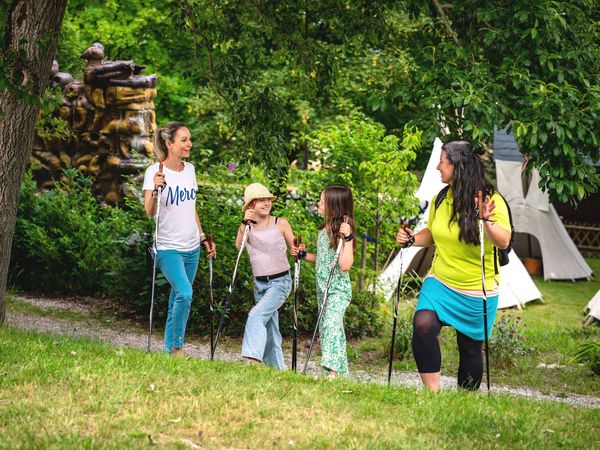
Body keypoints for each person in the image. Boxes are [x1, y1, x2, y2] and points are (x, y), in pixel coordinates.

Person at [396, 139, 511, 391]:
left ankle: (464, 401)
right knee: (423, 324)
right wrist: (412, 239)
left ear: (457, 166)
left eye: (442, 161)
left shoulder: (492, 200)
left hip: (476, 288)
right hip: (441, 281)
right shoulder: (441, 198)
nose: (438, 167)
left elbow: (503, 241)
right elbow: (435, 233)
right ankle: (433, 396)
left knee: (469, 348)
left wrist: (487, 220)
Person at [143, 121, 216, 356]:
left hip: (192, 246)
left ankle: (168, 351)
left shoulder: (191, 170)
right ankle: (177, 348)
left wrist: (203, 236)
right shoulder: (155, 172)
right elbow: (149, 210)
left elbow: (190, 207)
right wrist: (155, 188)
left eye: (189, 139)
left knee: (178, 297)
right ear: (169, 143)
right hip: (167, 247)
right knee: (185, 294)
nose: (189, 144)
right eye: (184, 140)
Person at [292, 184, 355, 379]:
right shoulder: (324, 230)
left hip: (337, 290)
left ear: (334, 206)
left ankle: (333, 374)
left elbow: (345, 265)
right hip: (323, 291)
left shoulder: (343, 232)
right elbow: (323, 259)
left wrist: (348, 238)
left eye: (322, 201)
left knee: (330, 325)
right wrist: (303, 255)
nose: (318, 203)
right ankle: (340, 376)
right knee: (330, 330)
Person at [237, 183, 295, 369]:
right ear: (251, 205)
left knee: (256, 314)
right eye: (261, 200)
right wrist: (244, 223)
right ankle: (278, 370)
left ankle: (252, 359)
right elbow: (239, 246)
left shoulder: (281, 223)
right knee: (270, 327)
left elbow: (295, 249)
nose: (266, 203)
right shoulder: (247, 227)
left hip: (280, 282)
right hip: (259, 283)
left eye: (268, 199)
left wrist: (298, 249)